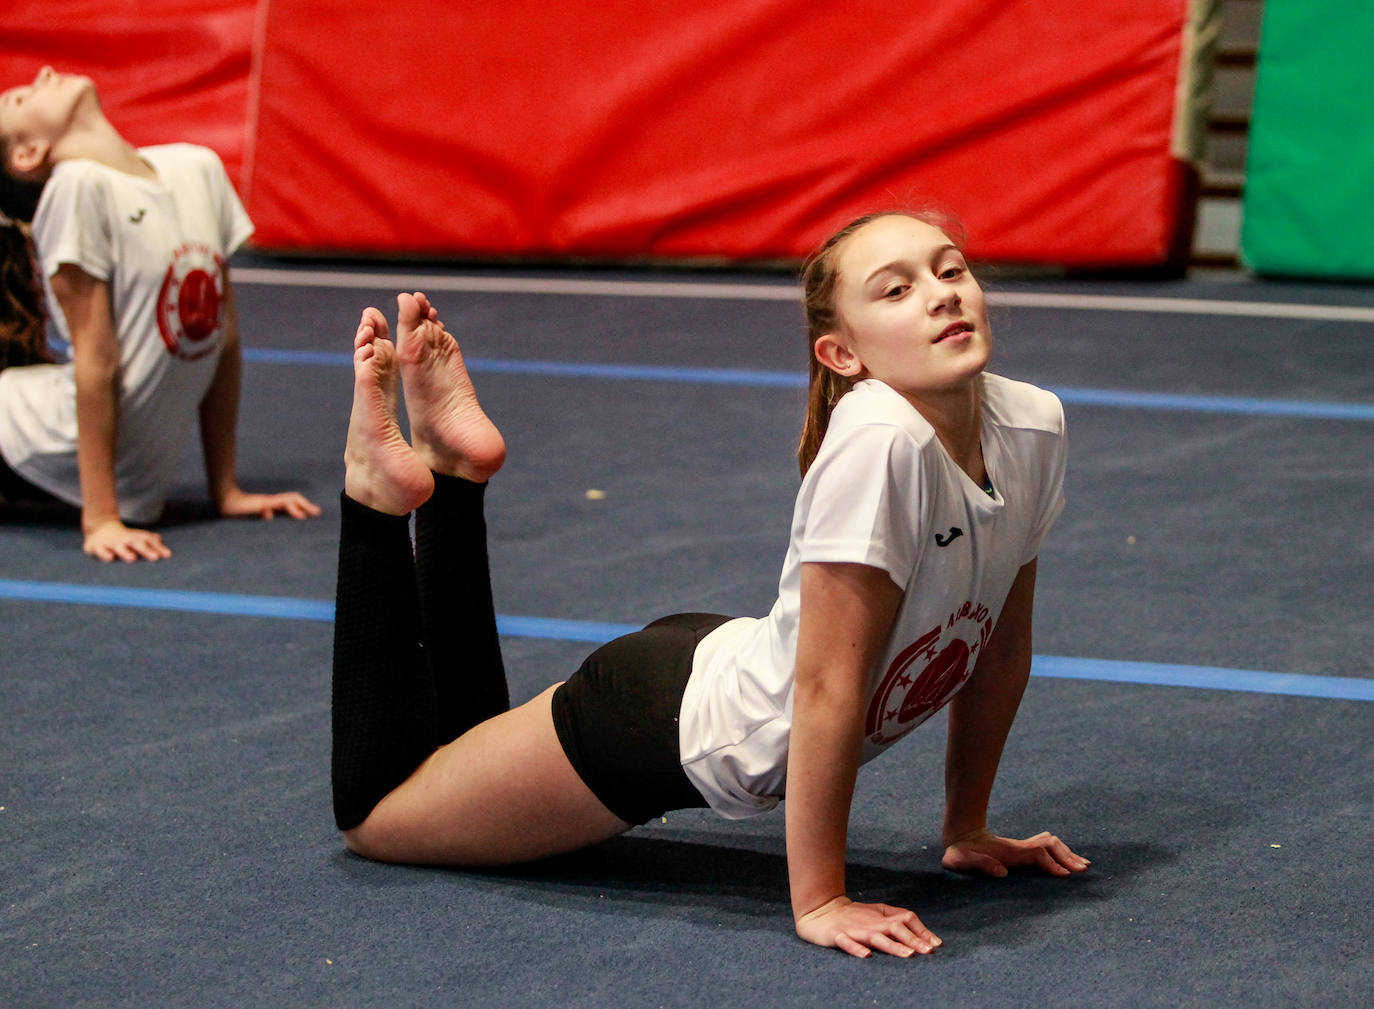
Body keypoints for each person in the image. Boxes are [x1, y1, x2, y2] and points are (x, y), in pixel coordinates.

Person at [330, 212, 1090, 959]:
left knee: (460, 765)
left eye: (950, 268)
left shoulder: (1031, 423)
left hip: (715, 662)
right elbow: (825, 688)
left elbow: (997, 646)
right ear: (842, 354)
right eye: (895, 290)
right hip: (656, 728)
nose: (942, 293)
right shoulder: (882, 441)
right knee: (377, 816)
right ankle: (373, 493)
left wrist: (967, 828)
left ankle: (452, 475)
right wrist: (821, 897)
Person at [0, 67, 319, 561]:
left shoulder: (197, 168)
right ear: (28, 153)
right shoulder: (77, 186)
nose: (42, 73)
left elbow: (222, 339)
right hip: (32, 442)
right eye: (21, 99)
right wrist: (101, 517)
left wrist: (226, 490)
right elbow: (95, 358)